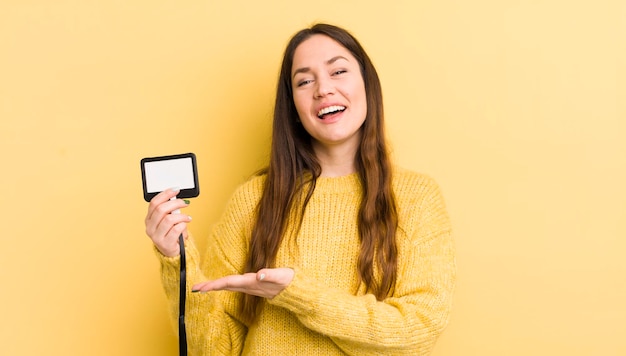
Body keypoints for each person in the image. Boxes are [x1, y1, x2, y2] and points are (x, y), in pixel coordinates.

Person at [145, 23, 456, 355]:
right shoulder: (253, 200)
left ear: (368, 84)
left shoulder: (417, 196)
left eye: (338, 71)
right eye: (305, 81)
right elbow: (215, 348)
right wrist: (175, 259)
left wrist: (297, 293)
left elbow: (418, 330)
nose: (323, 89)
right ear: (292, 105)